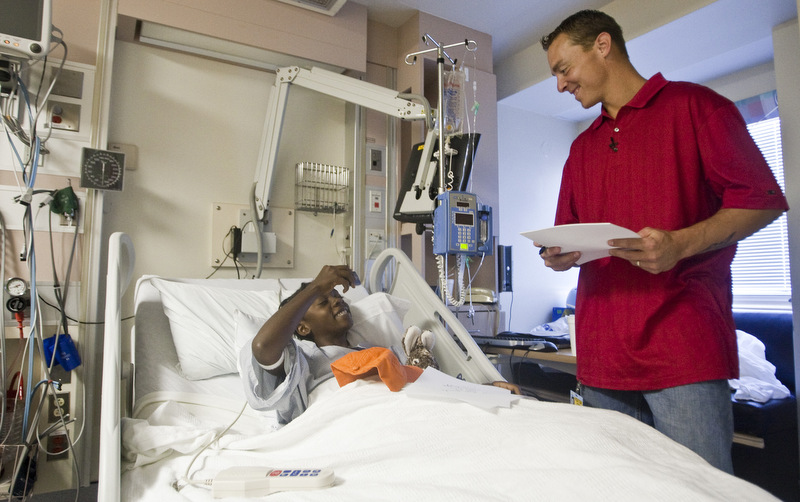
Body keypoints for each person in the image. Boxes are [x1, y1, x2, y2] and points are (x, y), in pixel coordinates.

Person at [537, 10, 788, 473]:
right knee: (617, 488)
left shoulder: (696, 108)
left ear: (602, 45)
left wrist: (680, 244)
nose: (560, 85)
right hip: (603, 356)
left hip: (683, 351)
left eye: (562, 69)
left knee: (699, 490)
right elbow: (567, 234)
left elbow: (764, 201)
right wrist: (561, 257)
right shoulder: (582, 148)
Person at [239, 264, 518, 424]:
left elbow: (424, 385)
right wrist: (315, 286)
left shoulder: (377, 354)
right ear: (302, 326)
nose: (337, 300)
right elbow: (263, 348)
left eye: (338, 296)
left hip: (415, 417)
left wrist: (478, 391)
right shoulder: (304, 364)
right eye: (324, 301)